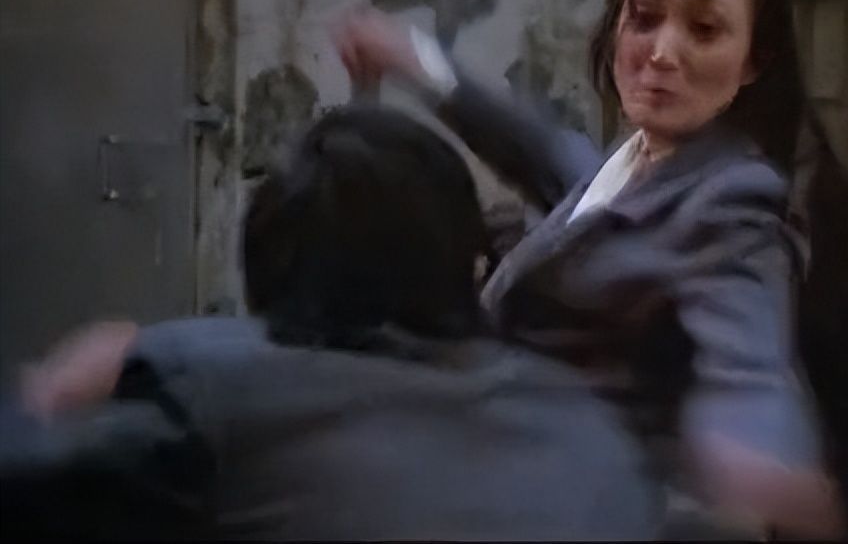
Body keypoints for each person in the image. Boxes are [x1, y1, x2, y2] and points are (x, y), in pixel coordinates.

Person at [335, 0, 846, 538]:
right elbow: (532, 143)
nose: (662, 52)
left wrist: (756, 446)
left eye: (704, 29)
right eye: (644, 17)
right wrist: (411, 58)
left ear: (754, 59)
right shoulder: (634, 163)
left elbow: (747, 351)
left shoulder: (733, 200)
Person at [0, 106, 663, 540]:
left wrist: (51, 395)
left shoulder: (217, 408)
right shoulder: (587, 426)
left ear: (269, 270)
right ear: (467, 264)